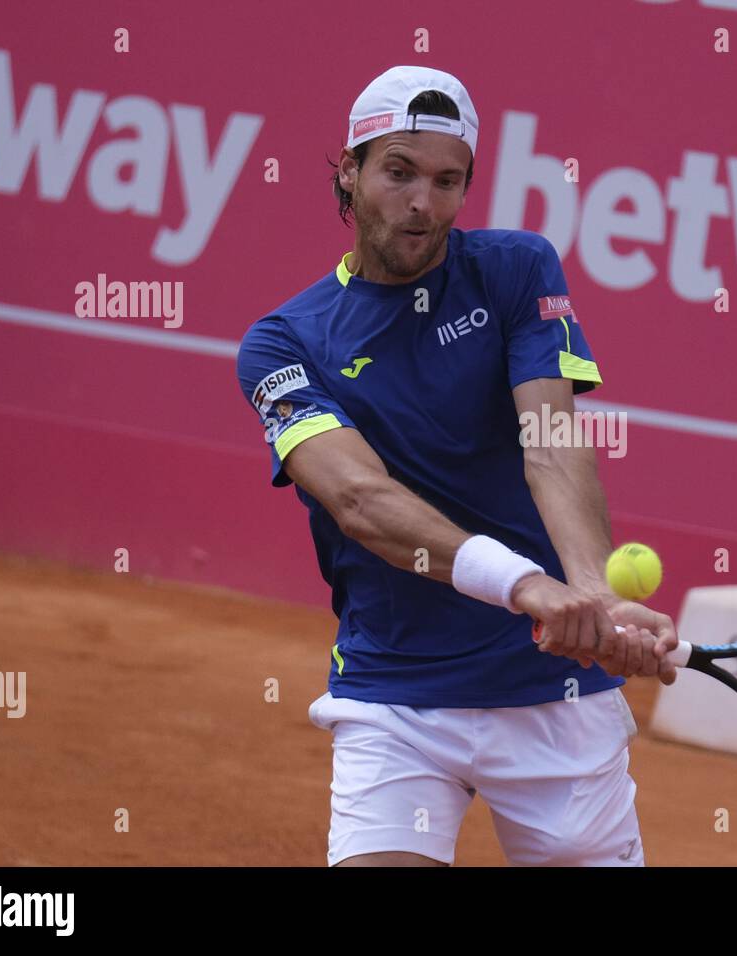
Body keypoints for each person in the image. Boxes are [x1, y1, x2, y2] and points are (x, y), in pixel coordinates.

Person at [235, 65, 678, 866]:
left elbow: (550, 436)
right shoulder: (285, 343)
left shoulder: (515, 270)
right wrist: (528, 587)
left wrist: (593, 593)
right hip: (397, 698)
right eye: (398, 173)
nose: (421, 204)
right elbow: (362, 502)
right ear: (350, 169)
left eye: (447, 181)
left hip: (552, 694)